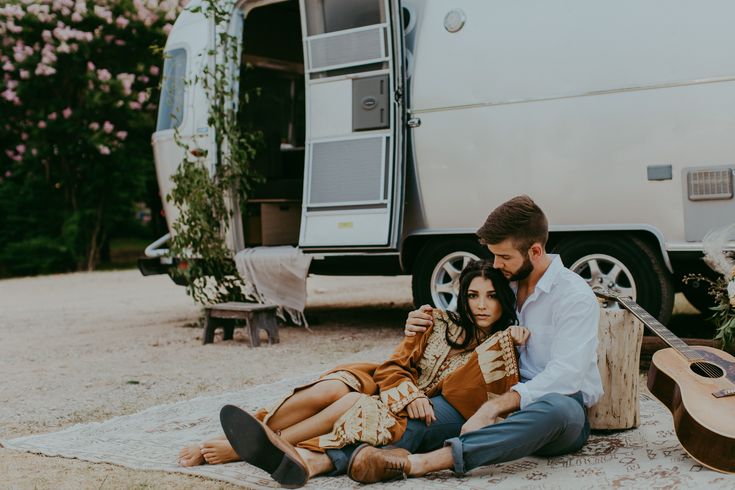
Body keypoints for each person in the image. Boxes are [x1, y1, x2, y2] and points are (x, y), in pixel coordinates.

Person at [180, 261, 528, 487]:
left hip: (402, 405)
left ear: (504, 301)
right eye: (473, 295)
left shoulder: (499, 347)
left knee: (354, 402)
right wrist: (409, 391)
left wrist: (508, 340)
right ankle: (254, 438)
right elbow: (394, 365)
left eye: (492, 296)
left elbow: (477, 398)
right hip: (391, 384)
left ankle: (253, 446)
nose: (481, 305)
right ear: (463, 298)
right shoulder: (436, 320)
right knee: (335, 386)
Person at [346, 194, 603, 483]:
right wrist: (422, 319)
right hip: (493, 390)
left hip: (556, 410)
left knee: (558, 409)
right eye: (494, 255)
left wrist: (493, 408)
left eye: (504, 257)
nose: (496, 263)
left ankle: (423, 463)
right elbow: (467, 316)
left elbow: (566, 376)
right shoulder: (503, 281)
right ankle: (323, 459)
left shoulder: (573, 296)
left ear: (535, 251)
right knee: (425, 413)